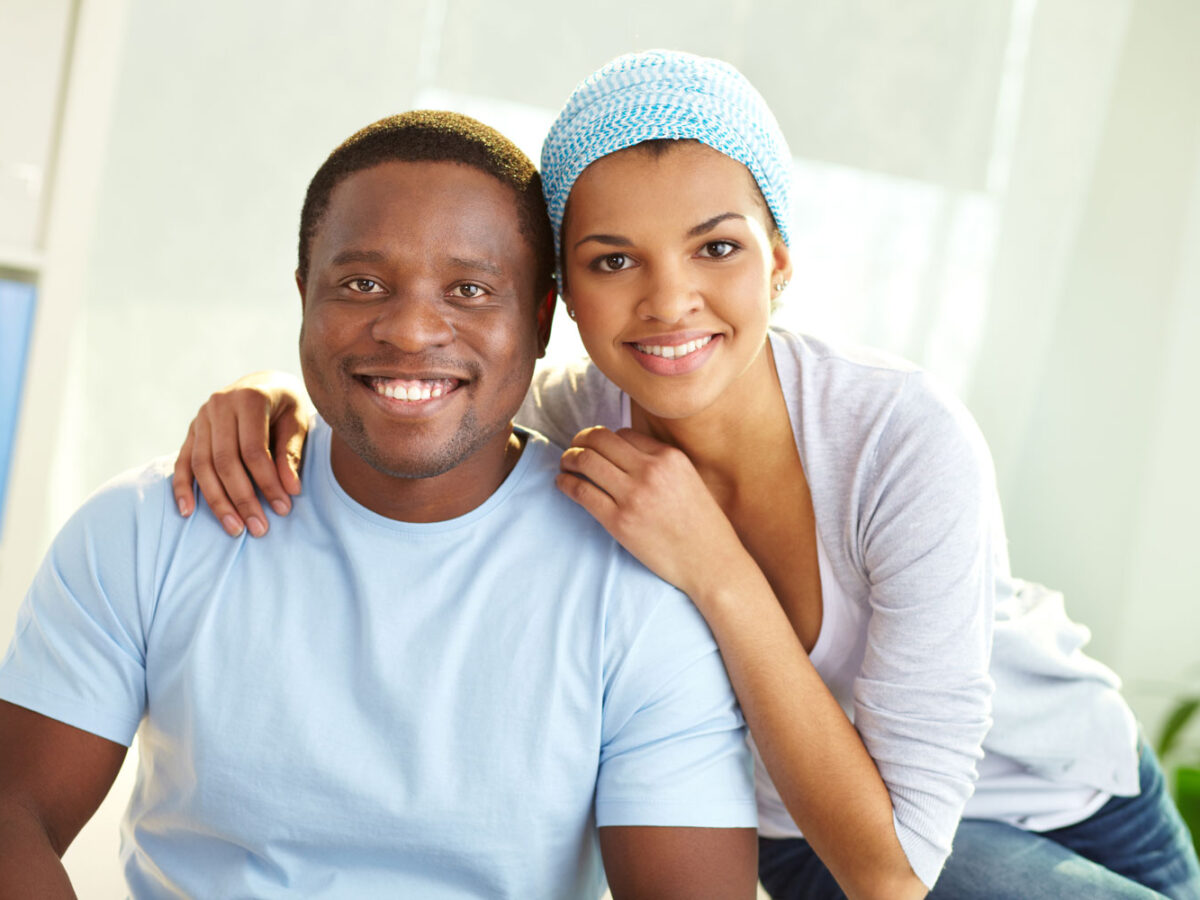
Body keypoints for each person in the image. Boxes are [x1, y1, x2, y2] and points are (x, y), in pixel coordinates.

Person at [171, 51, 1200, 900]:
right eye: (614, 260)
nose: (671, 302)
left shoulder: (902, 435)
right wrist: (273, 395)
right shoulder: (573, 416)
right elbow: (419, 396)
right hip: (816, 846)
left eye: (716, 248)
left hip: (1065, 799)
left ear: (781, 259)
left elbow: (893, 869)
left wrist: (716, 568)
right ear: (560, 294)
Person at [0, 110, 763, 900]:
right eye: (362, 284)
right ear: (304, 296)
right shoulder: (148, 528)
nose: (408, 330)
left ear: (539, 320)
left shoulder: (634, 586)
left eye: (469, 289)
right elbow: (11, 812)